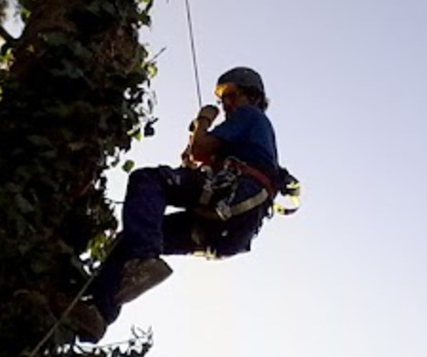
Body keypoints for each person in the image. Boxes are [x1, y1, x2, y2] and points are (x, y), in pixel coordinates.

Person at [78, 66, 283, 342]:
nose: (226, 104)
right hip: (229, 227)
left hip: (234, 195)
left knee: (148, 180)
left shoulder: (250, 116)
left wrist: (203, 120)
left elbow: (200, 148)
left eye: (231, 95)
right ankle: (96, 314)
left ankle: (142, 259)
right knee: (133, 237)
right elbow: (198, 158)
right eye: (223, 99)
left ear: (253, 96)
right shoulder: (251, 138)